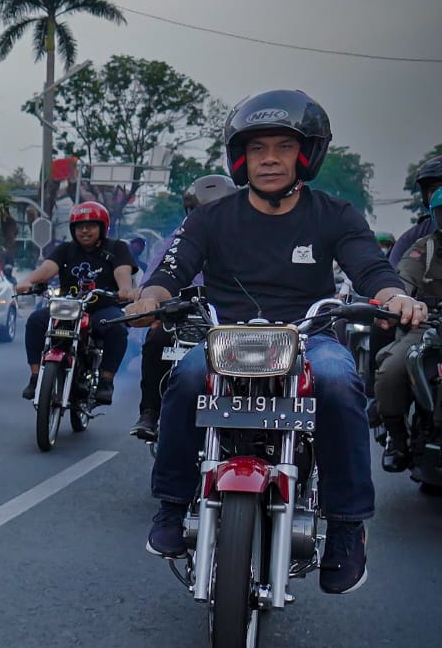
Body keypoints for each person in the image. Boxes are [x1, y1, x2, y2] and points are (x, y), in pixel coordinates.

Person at [124, 89, 425, 593]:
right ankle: (173, 504)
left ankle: (348, 527)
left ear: (306, 154)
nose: (269, 159)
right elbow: (171, 271)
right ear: (240, 157)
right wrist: (147, 299)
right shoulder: (210, 218)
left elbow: (371, 268)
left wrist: (396, 296)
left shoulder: (335, 214)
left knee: (338, 380)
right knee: (186, 375)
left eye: (283, 147)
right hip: (227, 340)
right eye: (258, 147)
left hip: (309, 339)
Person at [131, 174, 238, 440]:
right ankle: (150, 412)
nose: (210, 221)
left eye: (219, 212)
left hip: (238, 322)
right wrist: (149, 299)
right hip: (187, 317)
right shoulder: (176, 242)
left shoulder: (249, 241)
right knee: (157, 337)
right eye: (201, 213)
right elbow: (156, 277)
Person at [13, 200, 135, 405]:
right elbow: (48, 269)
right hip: (67, 307)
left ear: (102, 228)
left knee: (117, 328)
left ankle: (106, 381)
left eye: (91, 226)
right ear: (73, 229)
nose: (85, 231)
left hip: (102, 308)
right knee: (35, 321)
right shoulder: (65, 250)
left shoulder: (117, 248)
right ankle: (35, 378)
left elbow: (122, 271)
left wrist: (125, 289)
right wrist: (28, 281)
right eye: (80, 227)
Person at [374, 186, 442, 471]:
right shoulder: (423, 249)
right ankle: (397, 438)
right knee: (391, 371)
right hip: (427, 326)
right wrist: (398, 303)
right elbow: (402, 283)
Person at [390, 155, 442, 265]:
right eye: (434, 189)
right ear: (426, 197)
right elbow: (395, 276)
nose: (440, 195)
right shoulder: (413, 239)